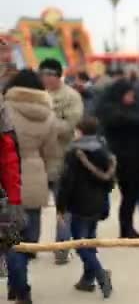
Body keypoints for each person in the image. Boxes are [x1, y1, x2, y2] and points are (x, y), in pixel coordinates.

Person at [4, 69, 62, 304]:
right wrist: (49, 178)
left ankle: (22, 289)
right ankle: (16, 284)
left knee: (10, 240)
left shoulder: (5, 109)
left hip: (9, 179)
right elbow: (52, 154)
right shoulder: (47, 114)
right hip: (36, 178)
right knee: (27, 241)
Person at [56, 116, 115, 299]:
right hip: (98, 203)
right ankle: (87, 279)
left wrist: (61, 207)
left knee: (80, 244)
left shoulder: (75, 152)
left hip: (79, 204)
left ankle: (100, 273)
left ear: (80, 131)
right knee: (89, 240)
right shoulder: (104, 150)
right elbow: (110, 182)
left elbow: (67, 183)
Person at [38, 57, 84, 265]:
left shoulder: (71, 96)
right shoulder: (36, 95)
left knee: (62, 206)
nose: (45, 79)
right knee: (28, 207)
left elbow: (70, 125)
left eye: (49, 75)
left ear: (58, 76)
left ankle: (61, 247)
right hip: (36, 160)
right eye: (43, 75)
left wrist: (45, 123)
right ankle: (28, 245)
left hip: (61, 158)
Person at [97, 79, 139, 238]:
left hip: (136, 158)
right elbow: (126, 120)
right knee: (128, 195)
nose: (132, 97)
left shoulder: (131, 108)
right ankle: (126, 229)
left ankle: (128, 227)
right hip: (123, 159)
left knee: (132, 195)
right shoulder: (111, 110)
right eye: (128, 94)